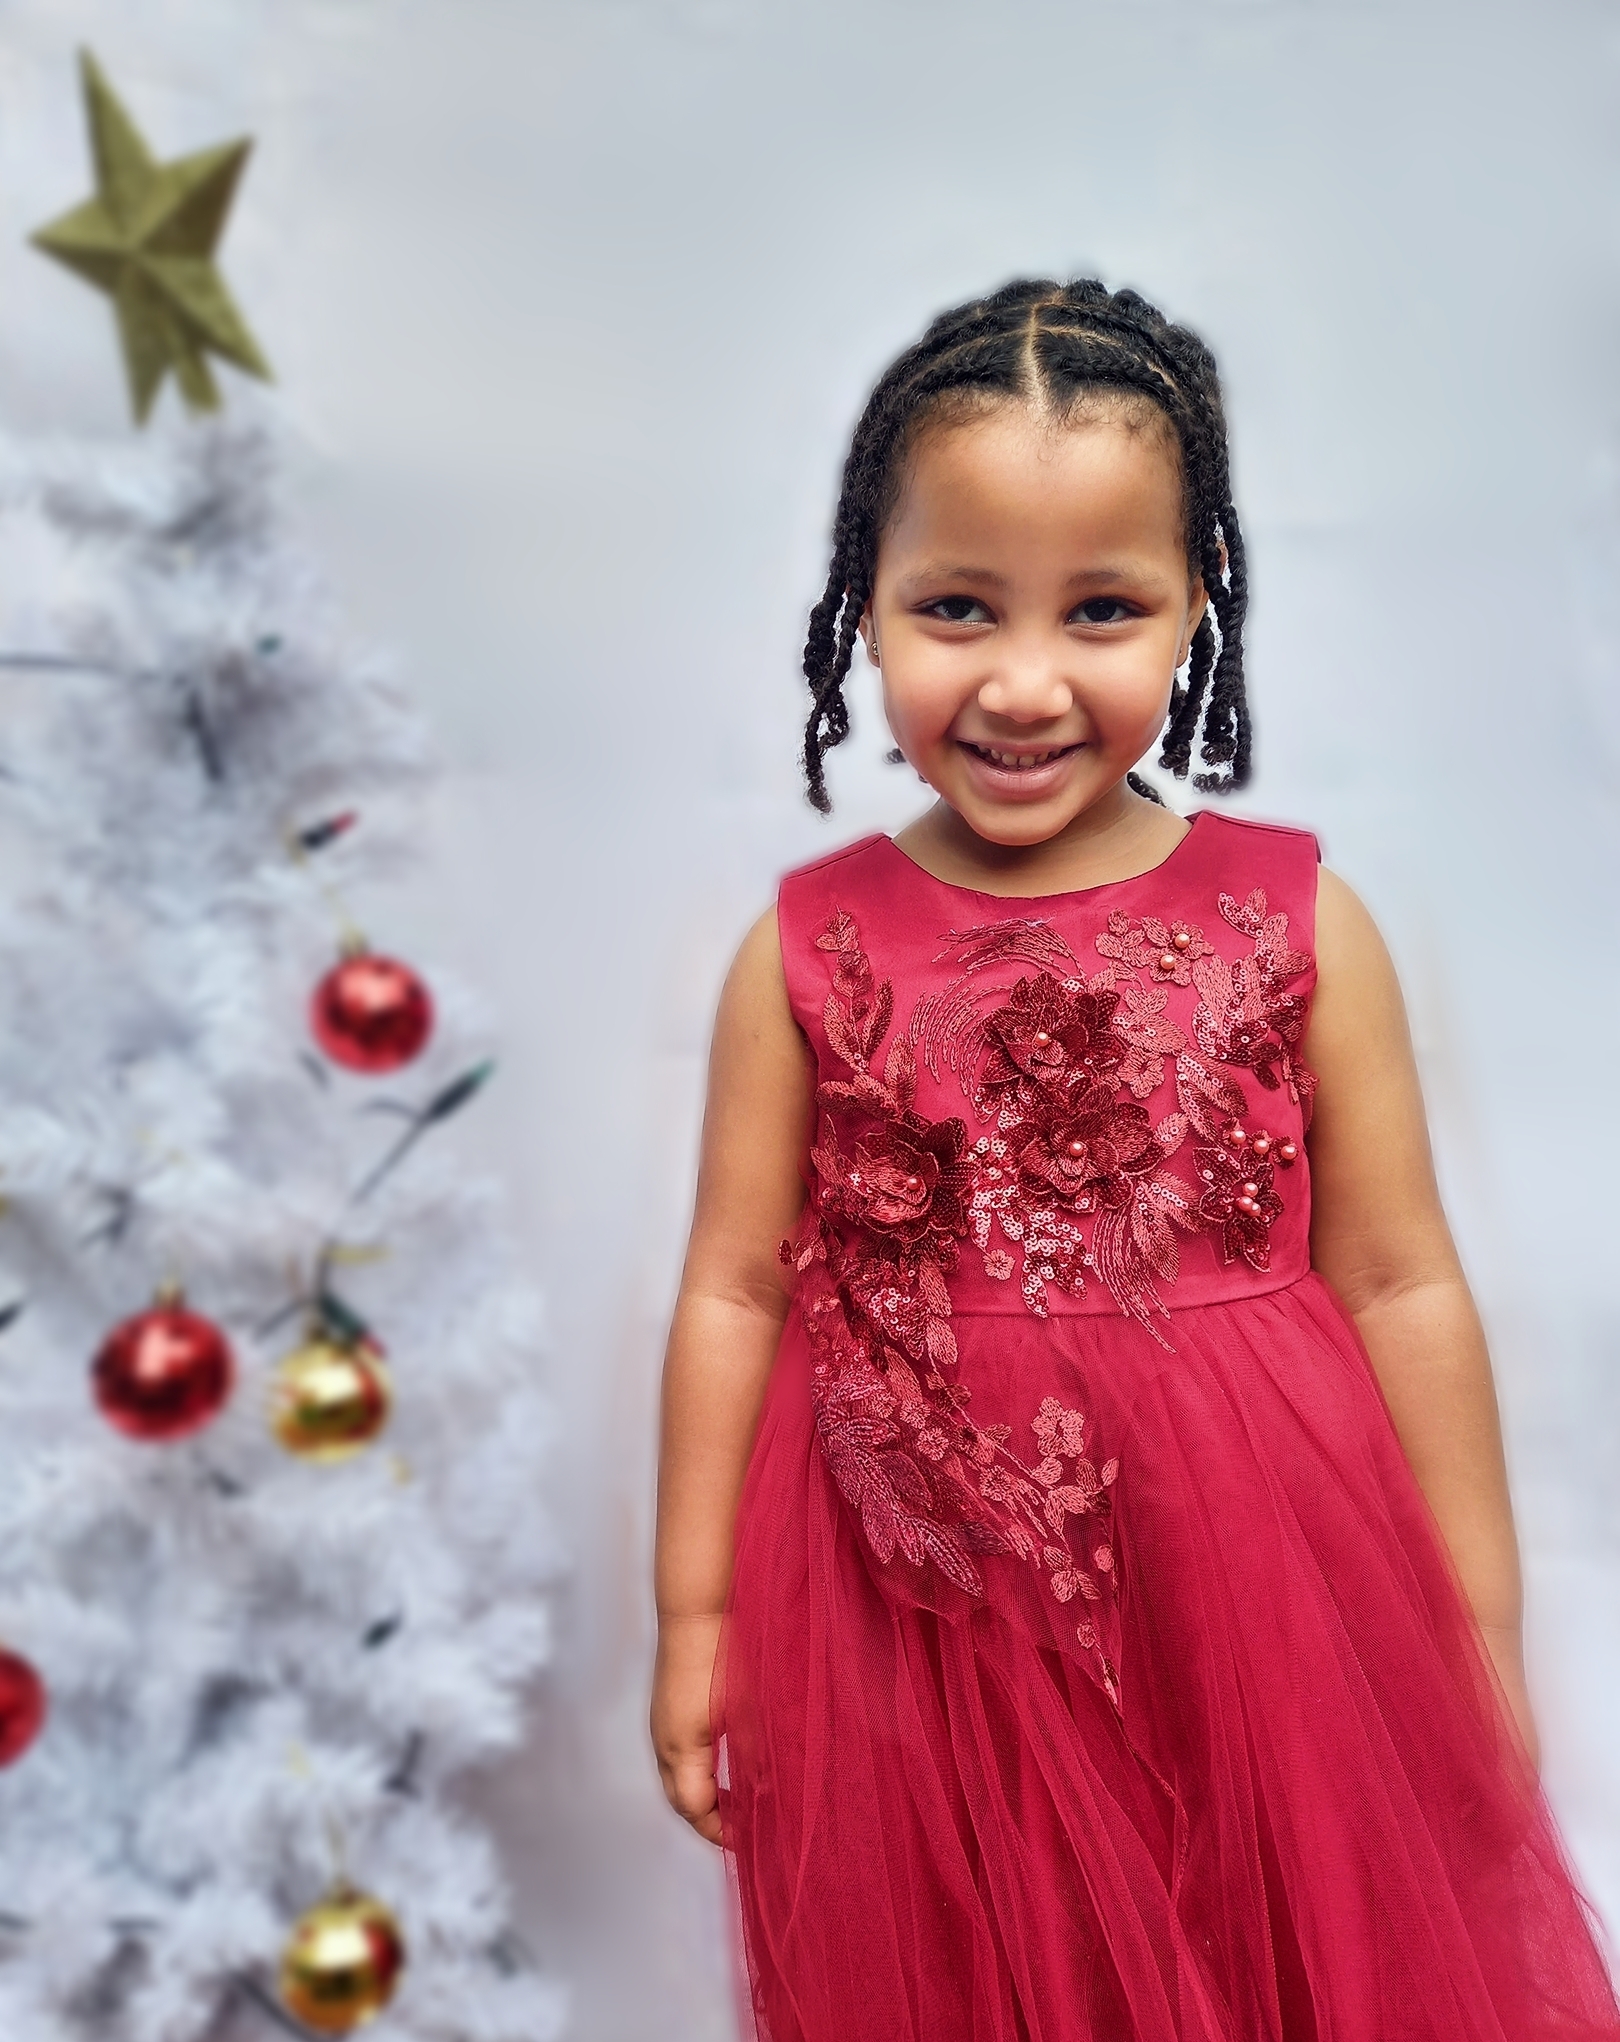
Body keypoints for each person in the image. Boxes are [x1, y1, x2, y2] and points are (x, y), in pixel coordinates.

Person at [650, 278, 1620, 2039]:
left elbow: (1400, 1279)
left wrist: (1475, 1633)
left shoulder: (1296, 920)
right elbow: (732, 1287)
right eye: (957, 606)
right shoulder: (803, 947)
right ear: (865, 601)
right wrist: (699, 1614)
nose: (1024, 682)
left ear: (1197, 605)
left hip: (1251, 1583)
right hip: (916, 1594)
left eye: (1102, 608)